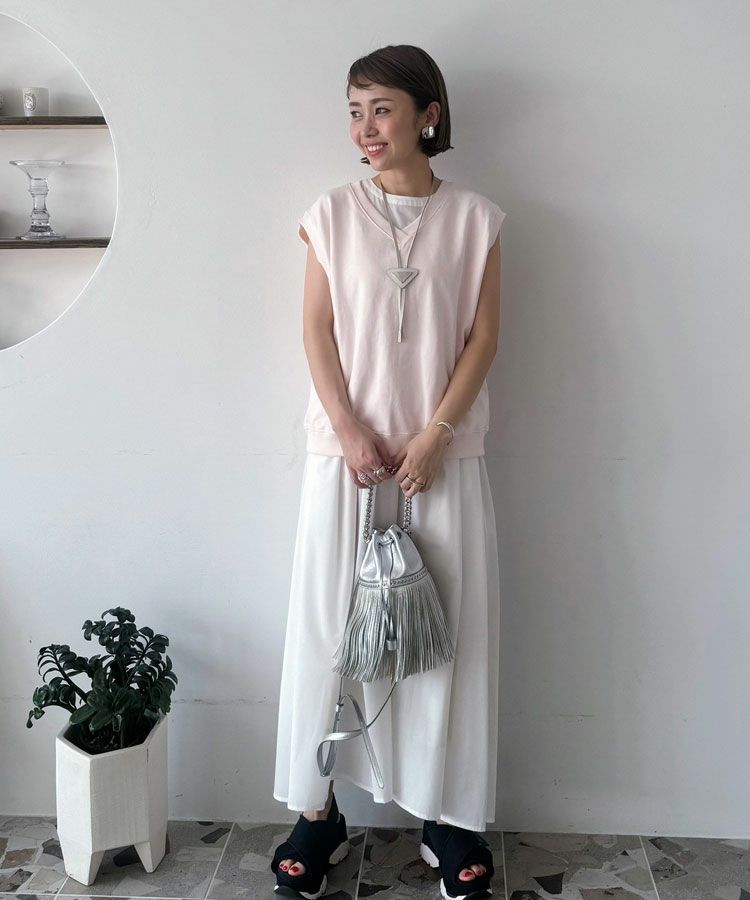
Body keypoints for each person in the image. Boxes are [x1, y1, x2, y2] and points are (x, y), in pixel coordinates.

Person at [271, 44, 506, 900]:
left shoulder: (478, 219)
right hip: (345, 459)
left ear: (427, 114)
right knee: (327, 631)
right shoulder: (331, 215)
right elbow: (316, 331)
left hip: (439, 460)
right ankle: (318, 812)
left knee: (449, 637)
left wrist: (437, 434)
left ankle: (449, 819)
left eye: (381, 109)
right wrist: (348, 429)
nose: (365, 129)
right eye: (354, 111)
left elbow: (483, 338)